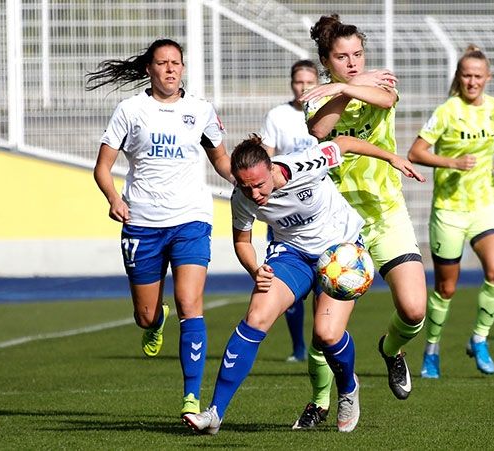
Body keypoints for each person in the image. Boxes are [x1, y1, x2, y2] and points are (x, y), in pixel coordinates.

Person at [182, 134, 425, 435]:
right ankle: (215, 413)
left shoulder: (306, 163)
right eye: (246, 186)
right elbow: (242, 241)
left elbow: (346, 143)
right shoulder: (242, 197)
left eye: (258, 185)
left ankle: (348, 388)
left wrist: (391, 157)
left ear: (271, 168)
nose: (254, 193)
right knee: (256, 318)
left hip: (339, 252)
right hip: (291, 256)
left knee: (326, 334)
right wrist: (255, 268)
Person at [88, 39, 233, 426]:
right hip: (142, 224)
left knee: (190, 303)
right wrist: (114, 198)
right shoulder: (130, 110)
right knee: (146, 314)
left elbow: (221, 160)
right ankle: (155, 323)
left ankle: (191, 397)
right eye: (162, 63)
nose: (170, 69)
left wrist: (250, 178)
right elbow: (103, 167)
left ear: (183, 68)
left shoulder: (200, 111)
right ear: (149, 69)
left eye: (176, 63)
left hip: (191, 219)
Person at [294, 14, 427, 428]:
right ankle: (319, 401)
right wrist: (340, 90)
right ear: (326, 61)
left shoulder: (378, 83)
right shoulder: (318, 99)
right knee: (324, 332)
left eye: (358, 55)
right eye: (341, 57)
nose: (352, 63)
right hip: (339, 224)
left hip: (386, 212)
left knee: (413, 310)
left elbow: (385, 100)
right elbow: (322, 130)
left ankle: (391, 350)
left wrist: (347, 85)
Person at [407, 45, 494, 378]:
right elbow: (416, 152)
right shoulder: (447, 111)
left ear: (488, 78)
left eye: (478, 76)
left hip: (484, 207)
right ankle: (432, 350)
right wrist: (451, 162)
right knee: (446, 289)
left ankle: (479, 338)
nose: (472, 81)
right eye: (466, 75)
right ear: (458, 77)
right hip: (448, 210)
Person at [259, 59, 320, 362]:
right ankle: (298, 346)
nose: (303, 87)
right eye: (299, 81)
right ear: (291, 83)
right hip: (285, 210)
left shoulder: (327, 112)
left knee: (327, 277)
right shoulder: (278, 116)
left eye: (309, 82)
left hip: (320, 208)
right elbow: (266, 159)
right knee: (286, 278)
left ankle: (322, 341)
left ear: (317, 83)